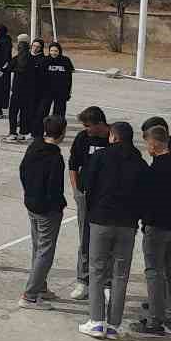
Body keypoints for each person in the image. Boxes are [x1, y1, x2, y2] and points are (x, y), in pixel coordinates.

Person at [79, 120, 146, 340]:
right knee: (120, 274)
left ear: (114, 137)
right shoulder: (140, 163)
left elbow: (84, 184)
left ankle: (96, 321)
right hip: (127, 224)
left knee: (98, 271)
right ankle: (114, 324)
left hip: (101, 220)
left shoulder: (100, 157)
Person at [135, 124, 171, 335]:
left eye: (147, 143)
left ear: (154, 143)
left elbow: (148, 201)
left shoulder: (155, 170)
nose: (147, 148)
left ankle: (155, 320)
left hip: (157, 227)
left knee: (154, 272)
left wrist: (145, 222)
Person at [18, 114, 67, 307]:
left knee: (38, 247)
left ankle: (41, 286)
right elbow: (55, 188)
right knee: (45, 251)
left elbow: (22, 171)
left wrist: (29, 193)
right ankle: (30, 295)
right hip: (47, 210)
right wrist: (57, 205)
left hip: (31, 203)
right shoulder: (55, 157)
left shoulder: (34, 147)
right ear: (62, 133)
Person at [65, 106, 110, 301]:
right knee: (85, 238)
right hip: (86, 195)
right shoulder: (83, 138)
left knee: (107, 240)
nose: (86, 129)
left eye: (88, 126)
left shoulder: (113, 138)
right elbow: (73, 164)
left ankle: (106, 282)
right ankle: (83, 280)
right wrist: (76, 191)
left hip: (108, 198)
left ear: (100, 124)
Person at [6, 37, 37, 142]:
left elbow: (8, 69)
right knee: (25, 112)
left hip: (16, 90)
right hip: (29, 91)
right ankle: (23, 132)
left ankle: (12, 132)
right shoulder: (32, 59)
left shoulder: (16, 59)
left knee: (13, 112)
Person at [39, 41, 74, 130]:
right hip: (47, 91)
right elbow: (40, 77)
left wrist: (68, 92)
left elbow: (69, 78)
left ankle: (58, 130)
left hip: (61, 92)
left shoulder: (65, 60)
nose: (53, 53)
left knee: (59, 113)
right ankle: (42, 128)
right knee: (43, 111)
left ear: (59, 51)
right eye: (52, 51)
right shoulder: (45, 60)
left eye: (56, 51)